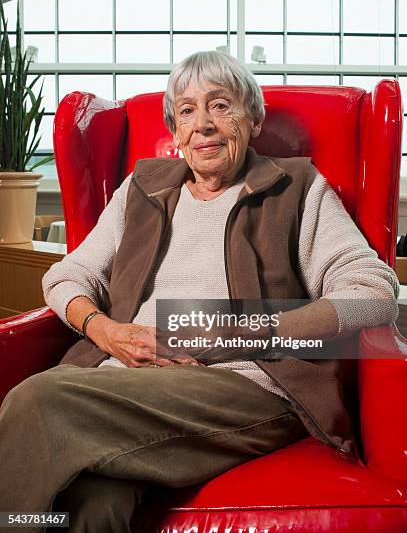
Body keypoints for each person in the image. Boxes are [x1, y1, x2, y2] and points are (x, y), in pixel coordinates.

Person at [0, 51, 398, 532]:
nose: (204, 124)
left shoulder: (296, 186)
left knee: (39, 398)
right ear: (175, 130)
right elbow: (67, 276)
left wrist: (249, 333)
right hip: (123, 378)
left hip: (243, 383)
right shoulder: (142, 188)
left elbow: (372, 288)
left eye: (221, 106)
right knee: (91, 502)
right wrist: (106, 332)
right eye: (187, 110)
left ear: (252, 119)